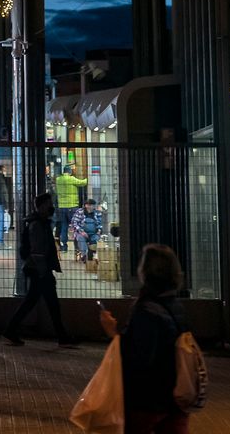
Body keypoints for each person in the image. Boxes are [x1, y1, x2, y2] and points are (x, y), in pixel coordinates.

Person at [101, 245, 189, 433]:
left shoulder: (146, 310)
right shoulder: (176, 306)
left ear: (145, 272)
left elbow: (137, 358)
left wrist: (112, 333)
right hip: (176, 397)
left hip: (147, 400)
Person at [4, 192, 74, 347]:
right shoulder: (37, 225)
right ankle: (62, 336)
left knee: (41, 302)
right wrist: (44, 272)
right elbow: (37, 251)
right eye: (49, 204)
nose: (51, 207)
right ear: (41, 206)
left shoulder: (40, 222)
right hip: (39, 270)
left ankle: (11, 329)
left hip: (39, 269)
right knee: (49, 304)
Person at [54, 166, 81, 253]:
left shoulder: (58, 180)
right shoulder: (71, 178)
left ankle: (64, 247)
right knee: (76, 226)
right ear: (70, 172)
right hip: (72, 206)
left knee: (64, 227)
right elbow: (82, 183)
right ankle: (77, 248)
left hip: (61, 207)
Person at [72, 199, 106, 266]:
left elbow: (100, 223)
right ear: (85, 205)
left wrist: (99, 230)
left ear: (94, 206)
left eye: (91, 205)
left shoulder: (97, 212)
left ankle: (92, 256)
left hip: (94, 233)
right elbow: (74, 223)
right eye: (88, 205)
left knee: (96, 240)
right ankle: (84, 256)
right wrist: (81, 231)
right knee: (81, 239)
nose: (89, 206)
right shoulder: (79, 212)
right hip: (81, 233)